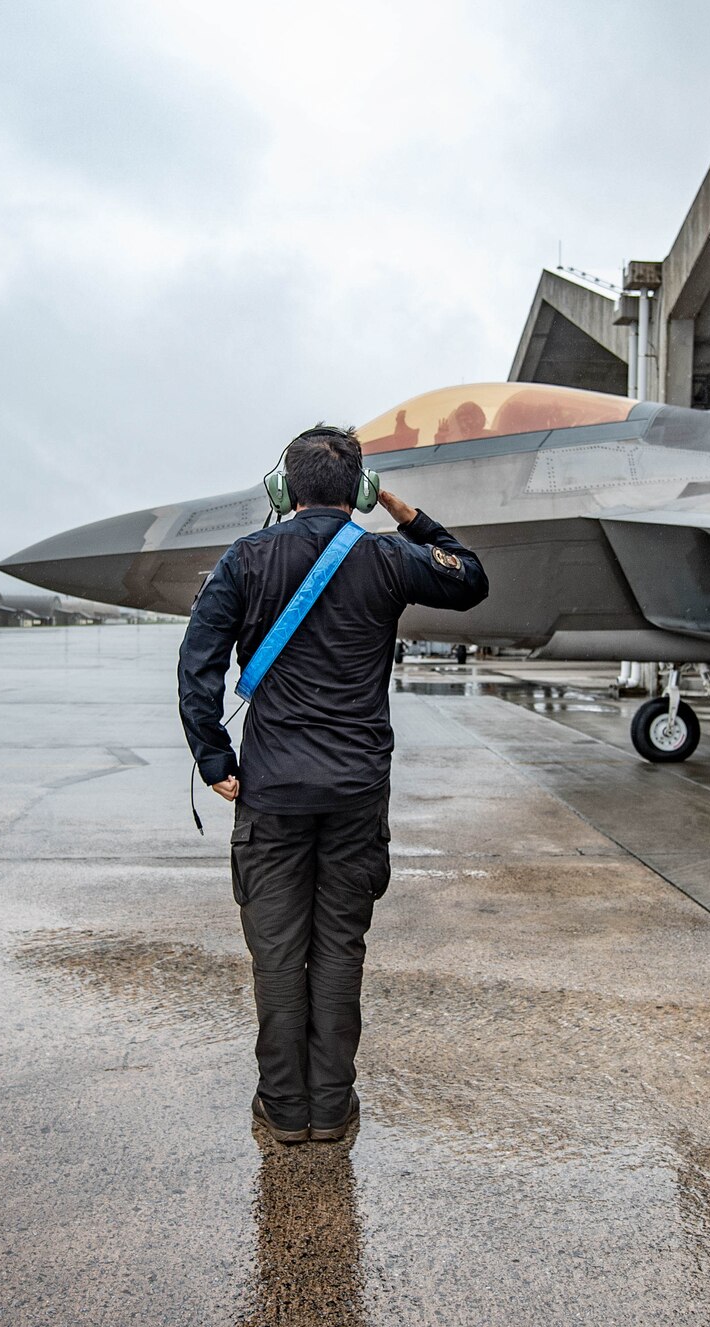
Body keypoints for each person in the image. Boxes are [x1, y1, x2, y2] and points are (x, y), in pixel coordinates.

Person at [178, 425, 489, 1145]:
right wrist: (402, 510)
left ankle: (285, 1110)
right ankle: (334, 1105)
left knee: (279, 948)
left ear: (282, 491)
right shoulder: (386, 556)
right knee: (341, 946)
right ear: (359, 491)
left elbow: (198, 663)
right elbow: (470, 575)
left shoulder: (245, 558)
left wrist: (214, 756)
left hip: (273, 790)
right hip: (355, 791)